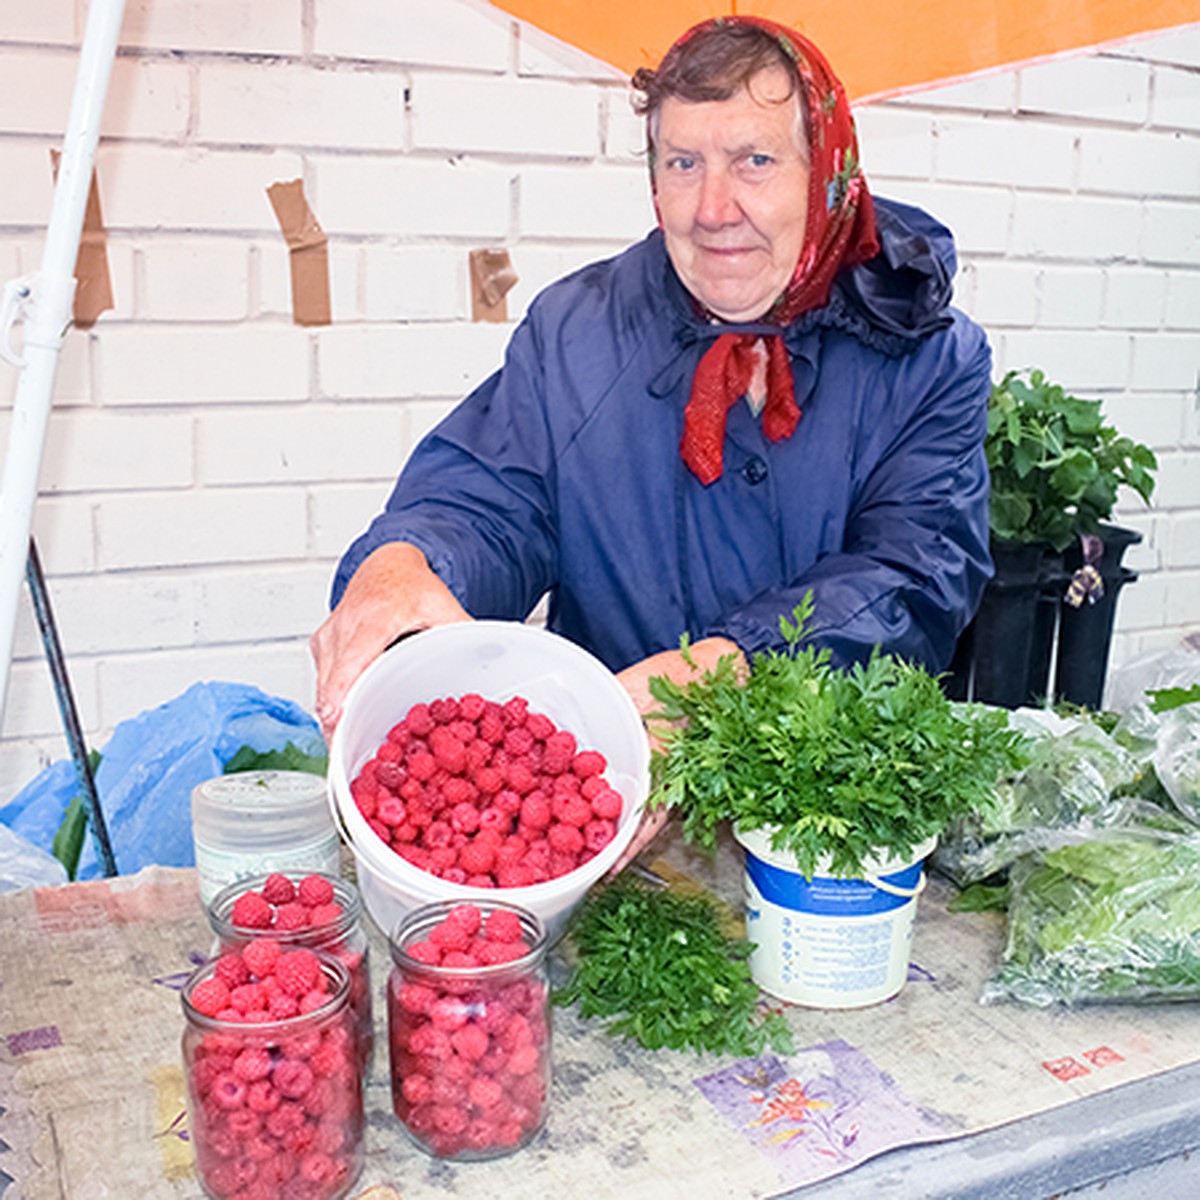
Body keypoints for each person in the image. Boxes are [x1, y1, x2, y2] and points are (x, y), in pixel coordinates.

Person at [310, 15, 994, 868]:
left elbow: (917, 573)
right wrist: (407, 562)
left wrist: (733, 669)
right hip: (607, 823)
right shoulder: (578, 330)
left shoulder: (928, 357)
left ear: (827, 174)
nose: (714, 211)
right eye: (682, 163)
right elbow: (490, 498)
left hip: (824, 841)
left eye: (754, 160)